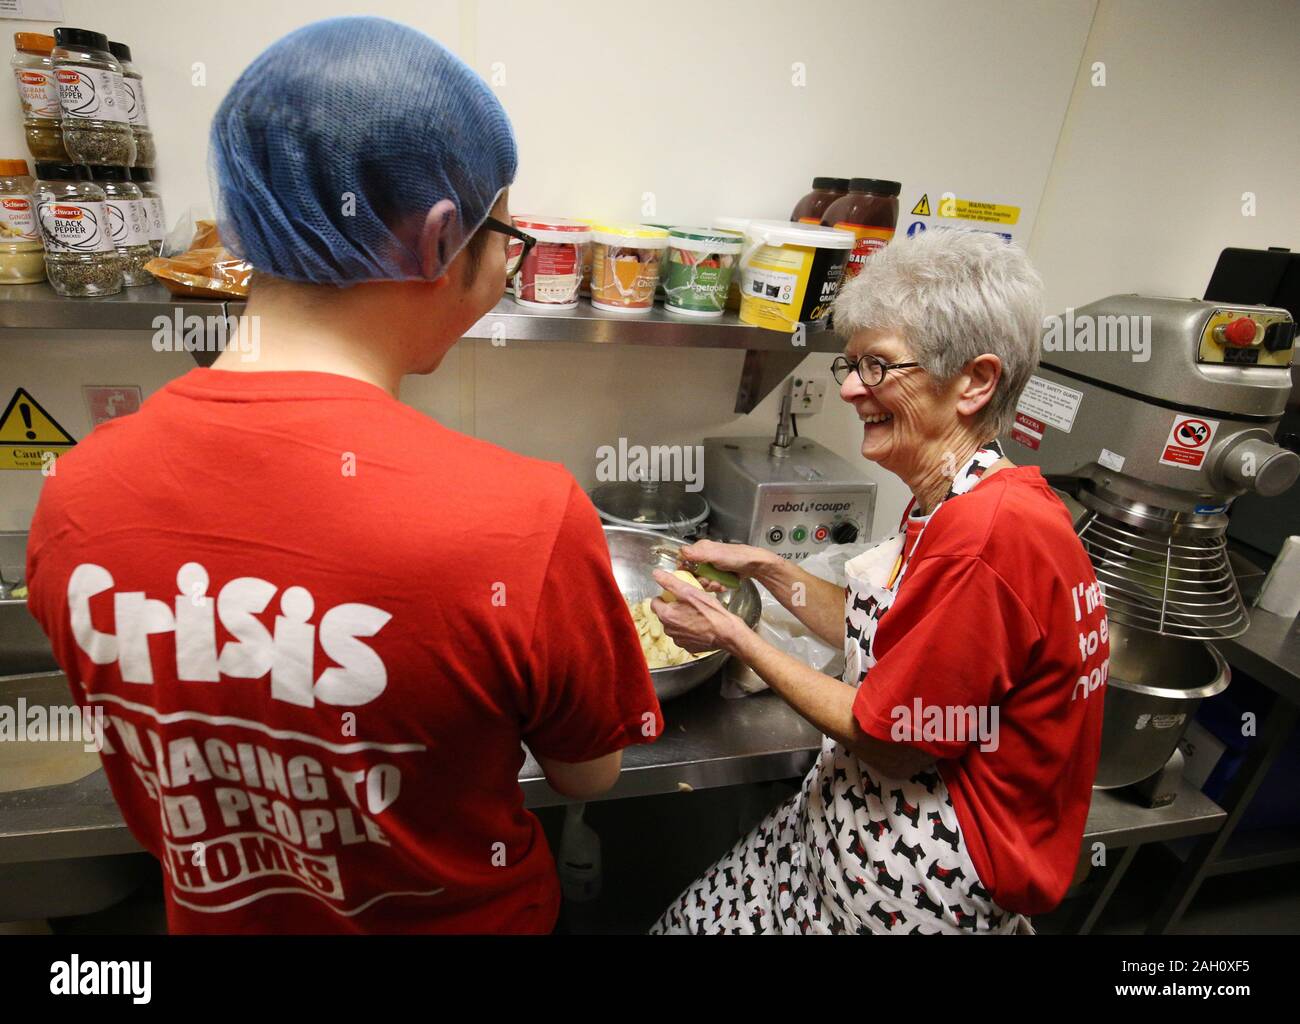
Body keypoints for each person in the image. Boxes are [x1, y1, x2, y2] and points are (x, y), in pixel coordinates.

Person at [25, 17, 661, 934]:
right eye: (504, 235)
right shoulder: (524, 518)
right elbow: (587, 774)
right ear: (442, 240)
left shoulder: (76, 496)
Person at [650, 230, 1108, 934]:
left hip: (910, 879)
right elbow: (891, 641)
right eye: (851, 362)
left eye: (879, 366)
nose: (850, 387)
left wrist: (732, 636)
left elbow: (892, 735)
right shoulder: (959, 499)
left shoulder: (988, 538)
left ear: (976, 381)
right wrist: (770, 570)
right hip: (836, 831)